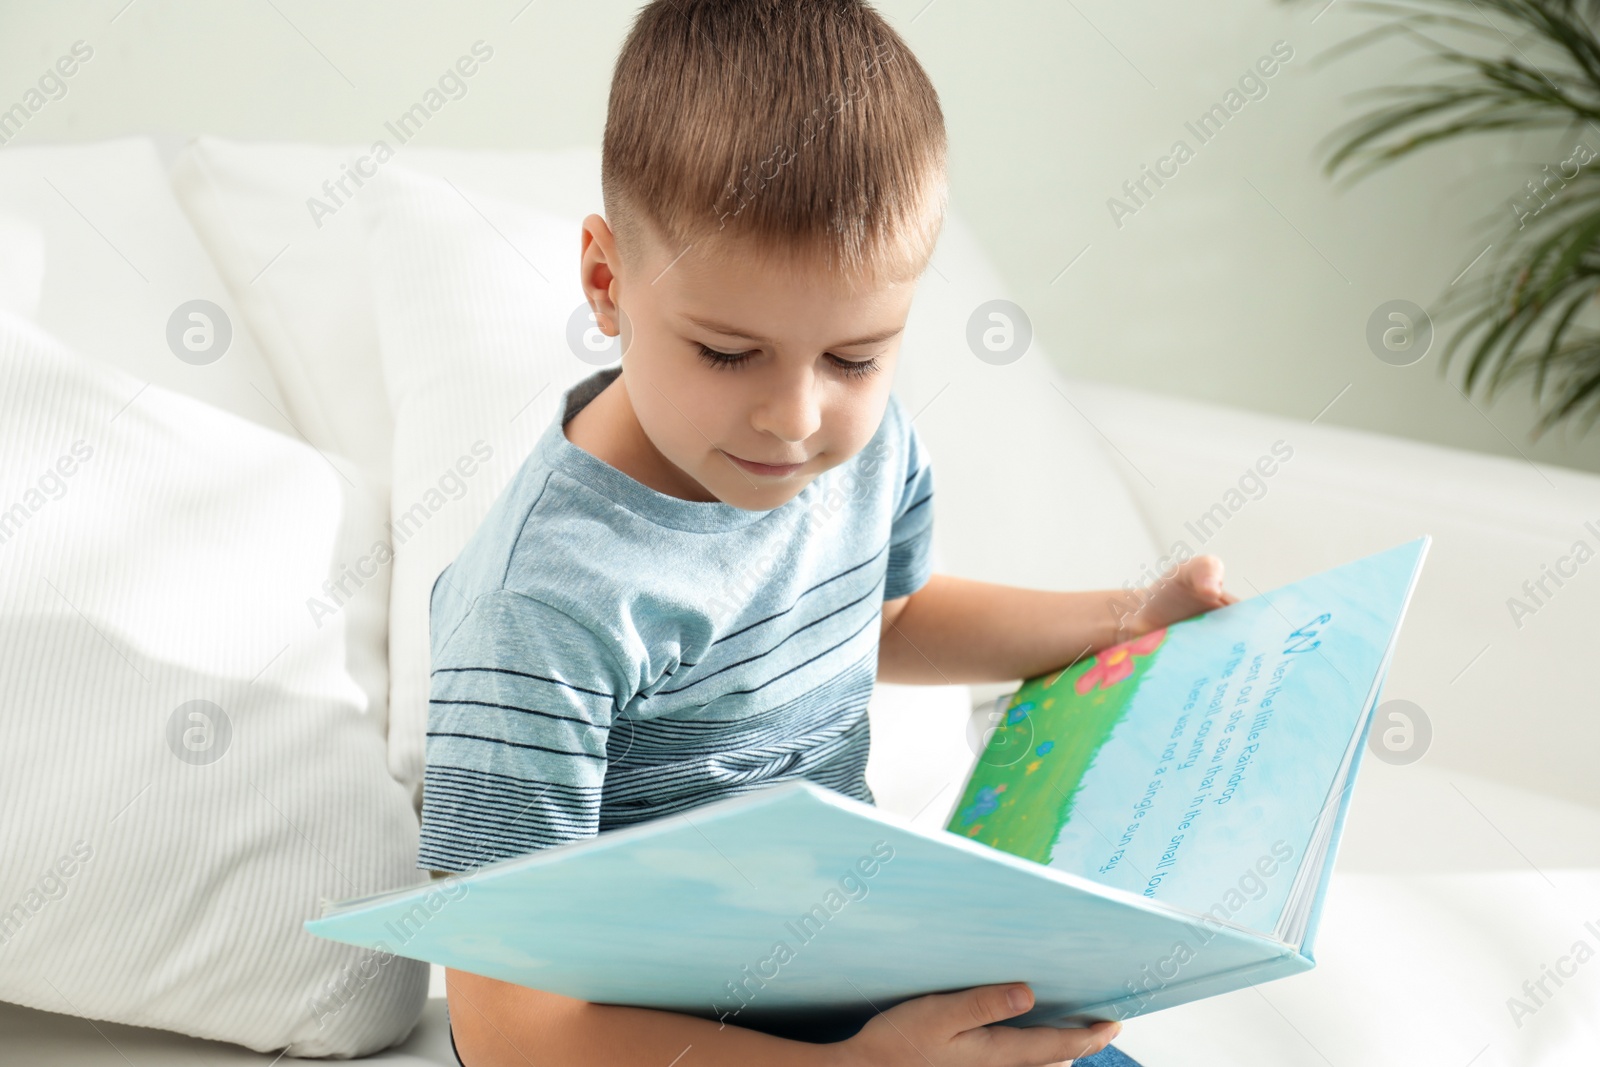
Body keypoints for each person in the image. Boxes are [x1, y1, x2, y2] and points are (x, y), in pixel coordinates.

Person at [418, 2, 1236, 1063]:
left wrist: (1128, 619)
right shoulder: (542, 609)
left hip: (844, 982)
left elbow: (885, 616)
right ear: (606, 281)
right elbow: (509, 1033)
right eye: (726, 352)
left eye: (854, 358)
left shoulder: (857, 450)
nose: (795, 418)